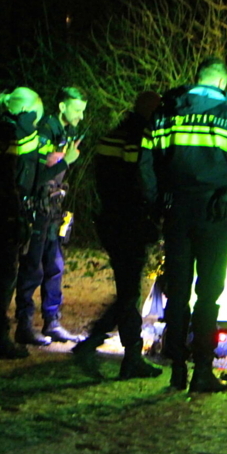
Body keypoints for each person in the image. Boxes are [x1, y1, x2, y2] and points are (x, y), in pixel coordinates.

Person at [138, 57, 227, 393]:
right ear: (221, 82)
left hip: (176, 212)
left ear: (197, 80)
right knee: (209, 294)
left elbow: (145, 163)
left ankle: (177, 367)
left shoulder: (167, 112)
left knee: (177, 293)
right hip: (213, 215)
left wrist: (155, 204)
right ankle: (202, 370)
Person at [72, 91, 164, 380]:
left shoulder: (112, 135)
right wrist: (156, 209)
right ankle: (128, 356)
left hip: (110, 218)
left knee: (127, 287)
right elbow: (144, 178)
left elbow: (102, 178)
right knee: (129, 292)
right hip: (132, 220)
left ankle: (96, 340)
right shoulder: (142, 136)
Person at [0, 87, 59, 358]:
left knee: (1, 274)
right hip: (9, 214)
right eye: (36, 117)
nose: (38, 123)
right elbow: (25, 180)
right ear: (28, 111)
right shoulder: (21, 134)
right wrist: (60, 164)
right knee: (6, 276)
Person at [14, 86, 88, 345]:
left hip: (54, 206)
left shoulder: (69, 130)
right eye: (77, 110)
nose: (80, 117)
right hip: (39, 207)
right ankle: (24, 324)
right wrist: (66, 161)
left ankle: (52, 322)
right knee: (33, 266)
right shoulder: (44, 131)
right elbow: (39, 175)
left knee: (55, 265)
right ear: (62, 107)